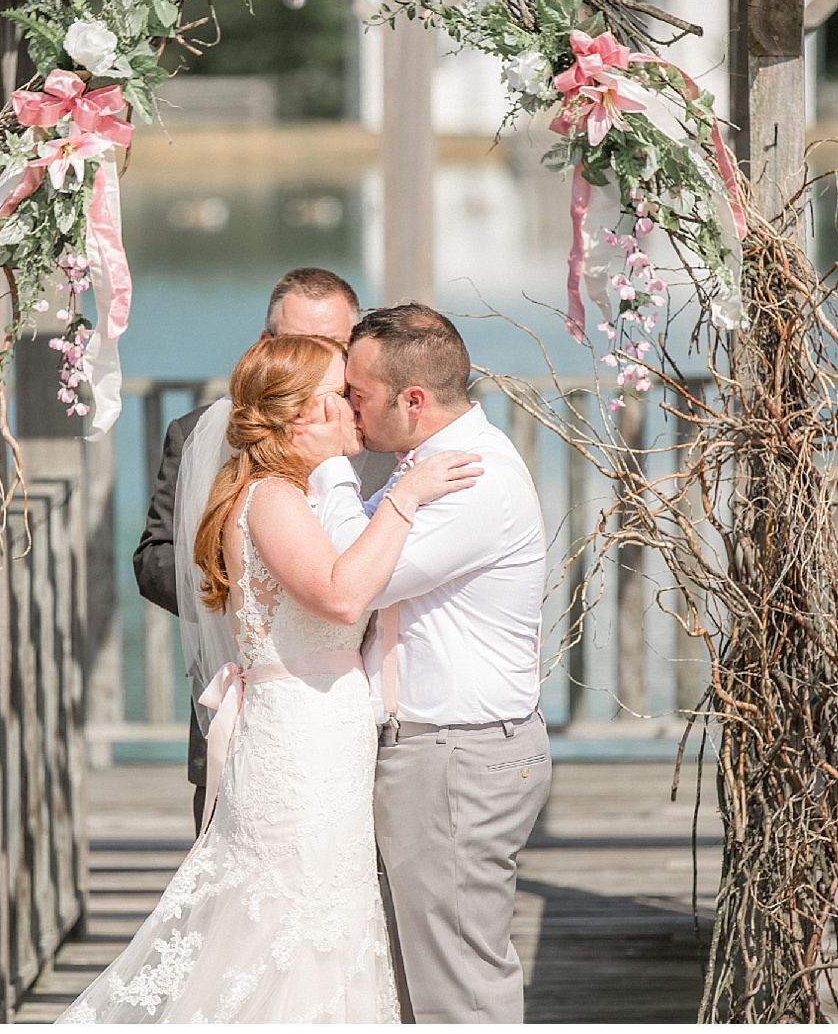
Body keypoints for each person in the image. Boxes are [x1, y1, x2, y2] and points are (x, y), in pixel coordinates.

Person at [60, 334, 482, 1023]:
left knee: (324, 923)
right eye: (341, 395)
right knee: (294, 925)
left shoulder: (297, 495)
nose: (354, 407)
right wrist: (407, 496)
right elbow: (343, 596)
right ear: (302, 416)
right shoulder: (274, 499)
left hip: (321, 736)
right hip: (300, 746)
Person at [308, 304, 550, 1023]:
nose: (350, 409)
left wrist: (330, 467)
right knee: (421, 981)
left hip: (456, 757)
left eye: (359, 395)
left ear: (413, 401)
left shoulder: (472, 480)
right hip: (441, 752)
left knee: (459, 991)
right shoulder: (425, 468)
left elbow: (356, 577)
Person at [133, 268, 392, 833]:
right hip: (249, 694)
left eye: (335, 347)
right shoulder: (195, 432)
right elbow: (155, 558)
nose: (317, 361)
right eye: (297, 343)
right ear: (265, 346)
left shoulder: (385, 436)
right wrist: (257, 594)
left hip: (359, 716)